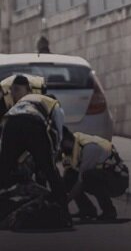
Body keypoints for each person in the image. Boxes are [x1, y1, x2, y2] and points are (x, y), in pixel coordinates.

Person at [0, 75, 69, 224]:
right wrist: (54, 150)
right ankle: (64, 210)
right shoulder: (52, 102)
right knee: (49, 169)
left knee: (4, 168)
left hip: (11, 122)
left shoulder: (18, 103)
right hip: (32, 122)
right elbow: (58, 127)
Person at [61, 127, 129, 221]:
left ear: (67, 140)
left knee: (88, 176)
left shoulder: (89, 148)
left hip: (118, 180)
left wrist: (64, 203)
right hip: (107, 177)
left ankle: (109, 211)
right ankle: (87, 210)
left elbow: (80, 181)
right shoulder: (75, 145)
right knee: (70, 177)